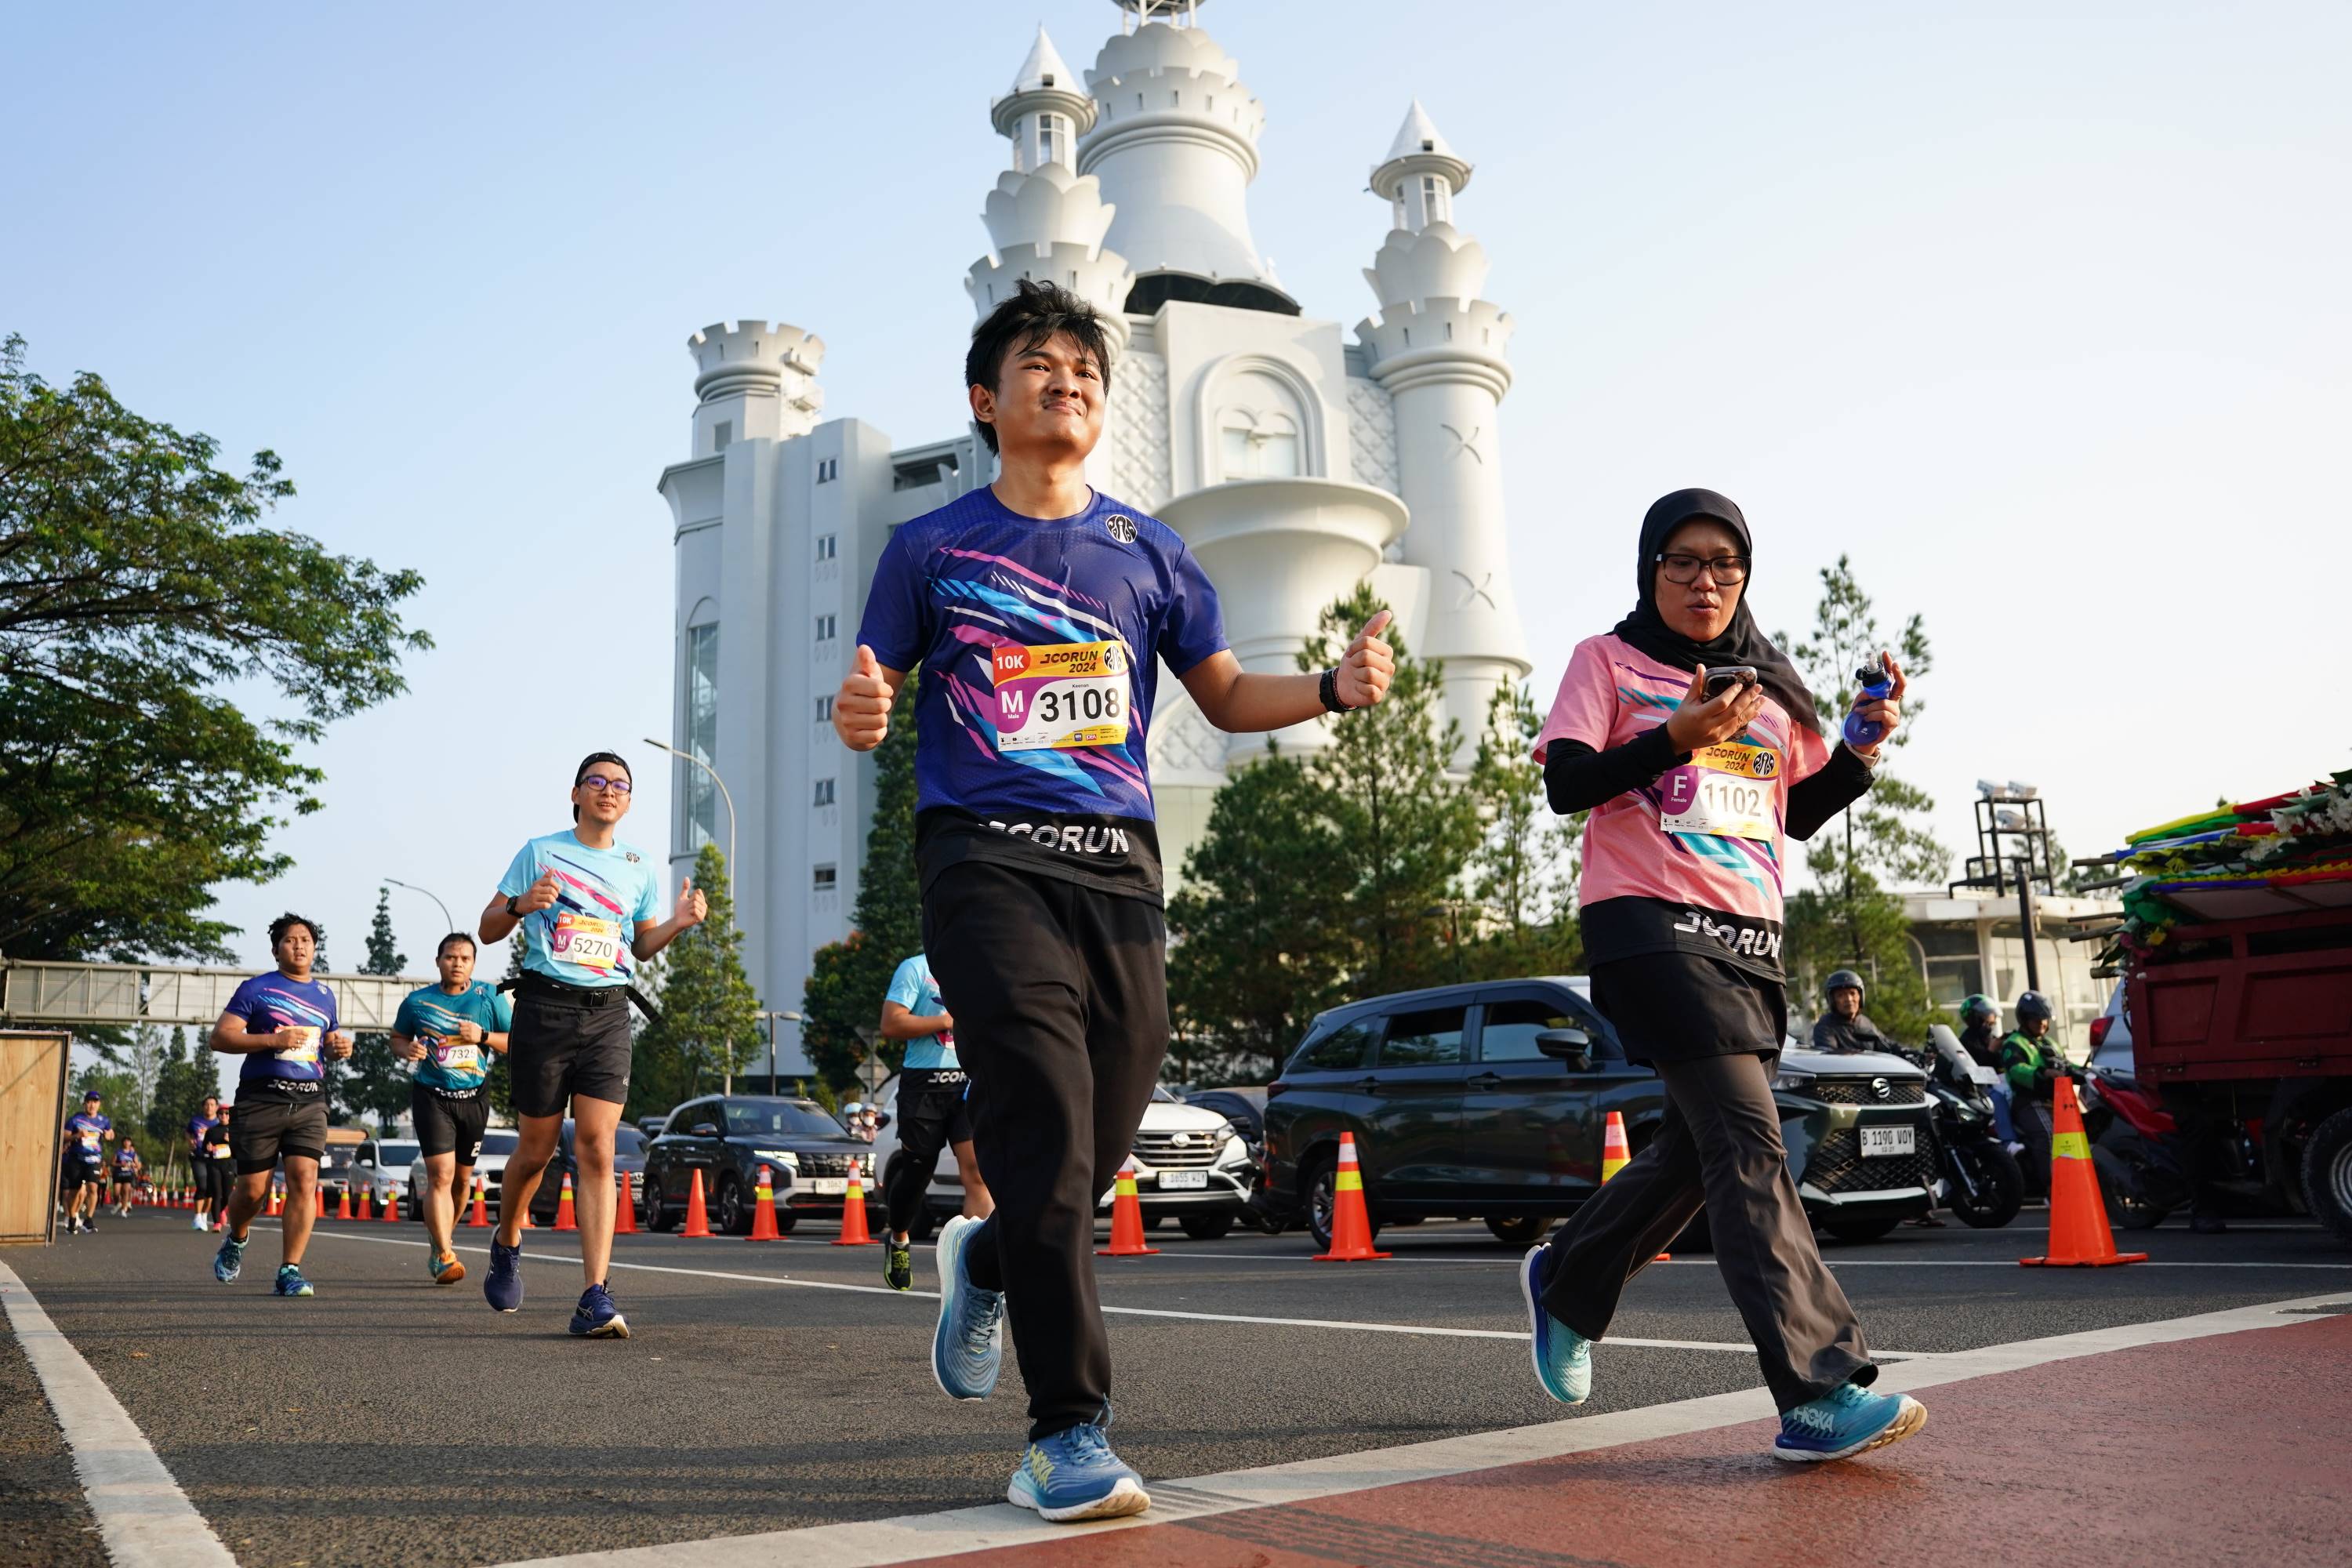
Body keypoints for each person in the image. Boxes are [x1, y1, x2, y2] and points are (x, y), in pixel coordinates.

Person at [836, 278, 1395, 1523]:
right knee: (1040, 1110)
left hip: (1119, 865)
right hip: (983, 858)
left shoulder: (1150, 551)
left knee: (1098, 1128)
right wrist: (861, 711)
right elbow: (872, 689)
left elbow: (1227, 696)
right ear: (985, 401)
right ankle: (1066, 1433)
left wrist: (1333, 689)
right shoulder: (930, 548)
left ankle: (990, 1254)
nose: (1068, 382)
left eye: (1085, 369)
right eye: (1039, 365)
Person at [1515, 487, 1928, 1463]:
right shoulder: (1607, 660)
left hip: (1748, 939)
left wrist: (1860, 746)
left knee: (1700, 1151)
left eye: (1725, 564)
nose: (1706, 580)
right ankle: (1817, 1390)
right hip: (1647, 925)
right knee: (1748, 1138)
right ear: (1651, 568)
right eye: (1684, 561)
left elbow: (1799, 810)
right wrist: (1674, 736)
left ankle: (1569, 1278)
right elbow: (1567, 780)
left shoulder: (1770, 684)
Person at [476, 751, 706, 1338]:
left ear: (628, 801)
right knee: (536, 1149)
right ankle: (507, 1240)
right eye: (597, 781)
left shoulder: (639, 865)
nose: (609, 790)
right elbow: (488, 927)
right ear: (576, 793)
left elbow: (641, 946)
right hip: (544, 1012)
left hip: (608, 1014)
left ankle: (595, 1295)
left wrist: (677, 922)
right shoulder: (540, 852)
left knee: (598, 1148)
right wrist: (521, 904)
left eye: (620, 785)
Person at [208, 913, 354, 1295]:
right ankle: (237, 1237)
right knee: (253, 1191)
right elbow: (220, 1037)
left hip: (310, 1100)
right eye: (291, 940)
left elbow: (326, 1044)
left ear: (315, 948)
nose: (299, 946)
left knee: (304, 1180)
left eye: (306, 940)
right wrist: (273, 1041)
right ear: (276, 950)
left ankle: (290, 1270)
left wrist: (339, 1047)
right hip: (261, 1099)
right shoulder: (256, 989)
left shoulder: (325, 995)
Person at [390, 932, 514, 1285]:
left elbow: (516, 1041)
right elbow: (397, 1038)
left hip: (474, 1098)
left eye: (464, 958)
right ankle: (445, 1255)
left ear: (473, 964)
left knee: (461, 1181)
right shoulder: (418, 1002)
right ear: (438, 962)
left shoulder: (489, 997)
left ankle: (439, 1241)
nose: (457, 963)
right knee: (441, 1177)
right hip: (432, 1096)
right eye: (450, 957)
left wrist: (483, 1037)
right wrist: (407, 1050)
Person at [878, 950, 996, 1292]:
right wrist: (944, 1022)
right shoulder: (915, 968)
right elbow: (891, 1023)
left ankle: (972, 1271)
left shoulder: (976, 963)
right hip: (923, 1086)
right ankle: (899, 1238)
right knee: (917, 1174)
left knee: (978, 1172)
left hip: (967, 1082)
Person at [1998, 990, 2065, 1198]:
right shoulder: (2014, 1043)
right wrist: (2043, 1073)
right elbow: (2016, 1070)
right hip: (2028, 1102)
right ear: (2025, 1019)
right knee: (2048, 1133)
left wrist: (2087, 1072)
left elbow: (2066, 1065)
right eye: (2037, 1019)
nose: (2042, 1023)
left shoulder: (2050, 1043)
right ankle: (2052, 1188)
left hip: (2057, 1100)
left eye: (2045, 1019)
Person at [1958, 994, 2016, 1145]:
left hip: (2001, 1082)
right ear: (1977, 1017)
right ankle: (2009, 1142)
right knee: (1997, 1098)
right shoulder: (1966, 1041)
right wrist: (1991, 1051)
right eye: (1988, 1014)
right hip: (1981, 1089)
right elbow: (1977, 1070)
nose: (1993, 1019)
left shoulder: (1989, 1037)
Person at [62, 1090, 114, 1234]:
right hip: (76, 1159)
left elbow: (111, 1133)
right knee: (74, 1191)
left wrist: (109, 1136)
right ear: (84, 1104)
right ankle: (72, 1218)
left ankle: (88, 1220)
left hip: (94, 1159)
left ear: (99, 1104)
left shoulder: (103, 1121)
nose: (92, 1105)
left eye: (95, 1102)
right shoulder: (75, 1119)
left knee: (93, 1188)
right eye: (89, 1102)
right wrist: (77, 1135)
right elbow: (65, 1136)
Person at [1809, 970, 1896, 1054]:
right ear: (1832, 1000)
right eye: (1841, 995)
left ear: (1860, 996)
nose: (1849, 999)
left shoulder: (1864, 1022)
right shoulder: (1825, 1027)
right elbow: (1832, 1058)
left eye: (1852, 993)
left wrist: (1902, 1050)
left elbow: (1886, 1044)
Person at [187, 1094, 228, 1233]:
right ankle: (197, 1217)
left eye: (212, 1104)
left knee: (212, 1190)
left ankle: (204, 1215)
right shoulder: (195, 1121)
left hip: (215, 1160)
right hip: (198, 1157)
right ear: (203, 1107)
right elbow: (188, 1133)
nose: (209, 1107)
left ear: (216, 1107)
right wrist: (190, 1141)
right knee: (202, 1185)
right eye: (207, 1104)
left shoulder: (221, 1122)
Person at [201, 1107, 235, 1230]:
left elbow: (241, 1147)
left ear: (230, 1115)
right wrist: (208, 1148)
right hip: (214, 1165)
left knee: (227, 1196)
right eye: (221, 1113)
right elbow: (204, 1148)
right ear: (218, 1115)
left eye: (227, 1113)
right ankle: (217, 1223)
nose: (224, 1115)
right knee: (217, 1194)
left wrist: (231, 1141)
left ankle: (221, 1211)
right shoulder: (211, 1131)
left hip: (229, 1165)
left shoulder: (235, 1130)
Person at [110, 1137, 144, 1217]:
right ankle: (118, 1204)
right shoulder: (118, 1152)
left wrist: (134, 1165)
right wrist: (120, 1164)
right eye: (125, 1141)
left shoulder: (133, 1154)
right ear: (123, 1143)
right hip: (118, 1174)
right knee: (116, 1193)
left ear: (130, 1143)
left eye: (128, 1141)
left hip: (128, 1175)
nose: (126, 1143)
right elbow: (112, 1163)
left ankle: (123, 1209)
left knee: (126, 1191)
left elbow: (138, 1165)